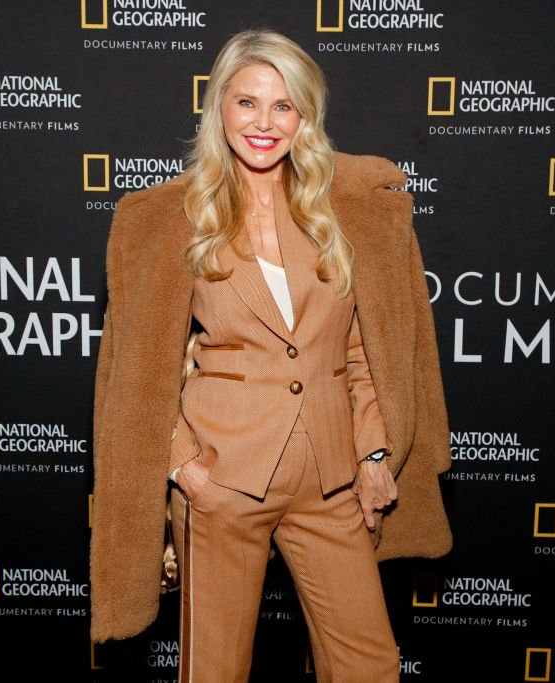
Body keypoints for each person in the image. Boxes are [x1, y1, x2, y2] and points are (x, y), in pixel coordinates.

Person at [90, 29, 452, 682]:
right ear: (218, 107)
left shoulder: (339, 208)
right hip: (222, 480)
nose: (264, 122)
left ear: (306, 115)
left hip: (330, 476)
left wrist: (373, 453)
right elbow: (137, 370)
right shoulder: (170, 216)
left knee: (370, 665)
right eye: (247, 102)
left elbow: (363, 347)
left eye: (283, 106)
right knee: (215, 671)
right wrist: (187, 470)